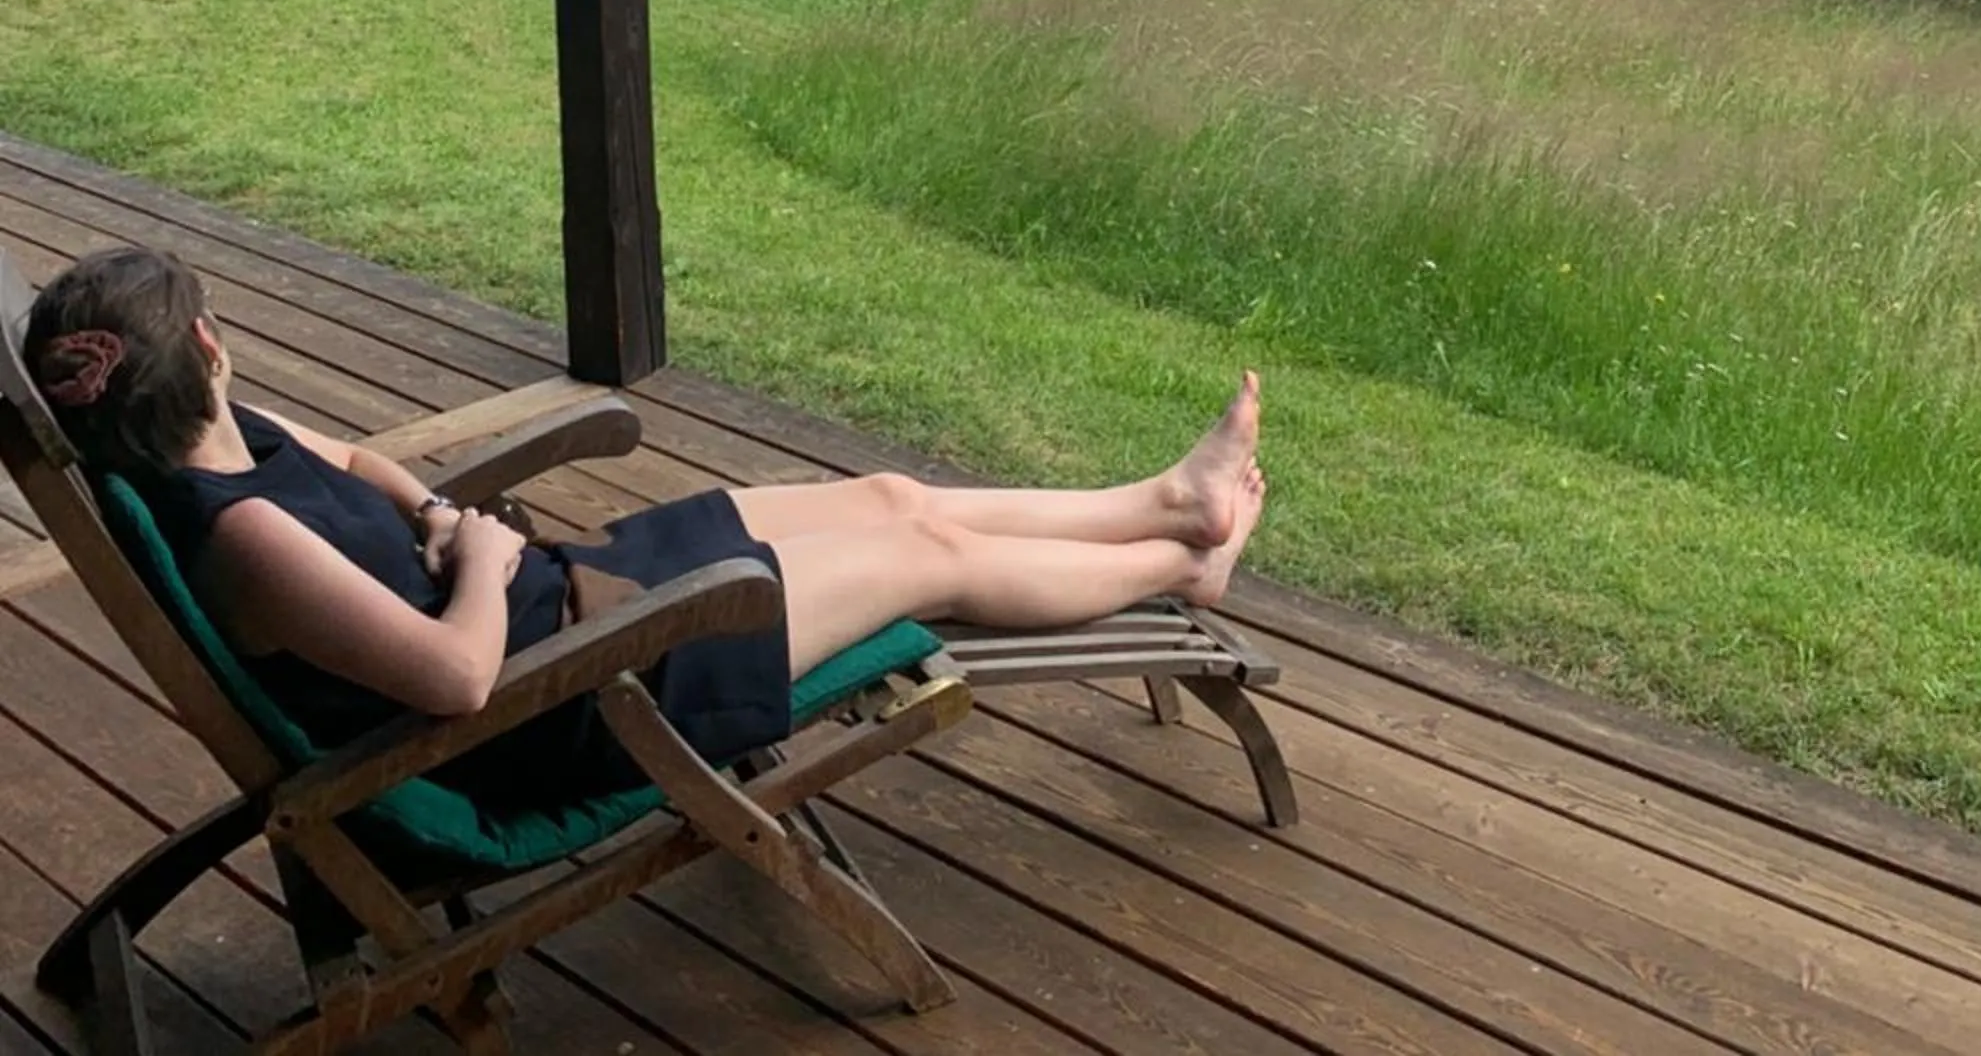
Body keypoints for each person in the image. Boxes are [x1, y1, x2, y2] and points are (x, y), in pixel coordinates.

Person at [24, 244, 1264, 811]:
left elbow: (351, 457)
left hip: (566, 603)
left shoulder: (221, 444)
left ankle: (1164, 502)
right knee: (922, 559)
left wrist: (443, 513)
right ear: (207, 349)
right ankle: (1184, 565)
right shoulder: (241, 535)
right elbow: (457, 681)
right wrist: (489, 561)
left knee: (890, 500)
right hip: (571, 692)